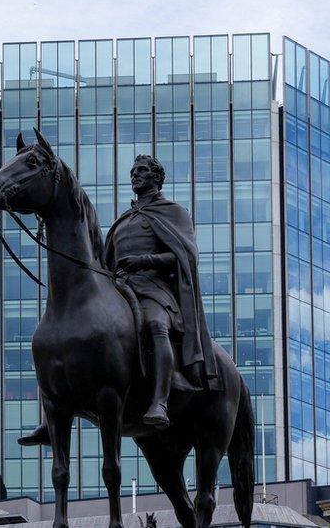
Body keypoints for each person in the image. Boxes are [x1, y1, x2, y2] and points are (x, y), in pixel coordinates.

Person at [19, 154, 219, 444]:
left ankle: (160, 400)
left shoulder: (173, 212)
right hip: (121, 289)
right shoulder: (124, 221)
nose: (135, 175)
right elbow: (103, 261)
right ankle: (51, 420)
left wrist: (143, 260)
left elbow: (185, 255)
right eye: (133, 171)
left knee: (156, 325)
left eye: (142, 171)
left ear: (157, 178)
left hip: (154, 289)